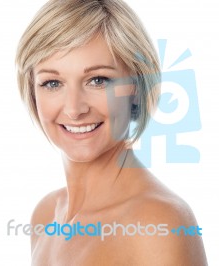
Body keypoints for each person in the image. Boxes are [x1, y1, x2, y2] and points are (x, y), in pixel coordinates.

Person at [15, 0, 208, 265]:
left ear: (137, 88)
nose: (74, 109)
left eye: (98, 80)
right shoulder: (45, 216)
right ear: (33, 92)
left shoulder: (158, 223)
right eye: (52, 82)